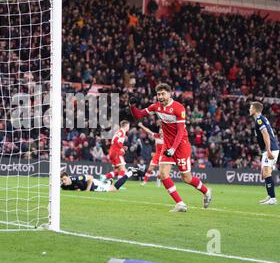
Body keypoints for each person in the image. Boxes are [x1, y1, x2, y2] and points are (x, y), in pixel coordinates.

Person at [129, 83, 212, 212]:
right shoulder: (156, 107)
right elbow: (139, 115)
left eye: (163, 94)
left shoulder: (178, 108)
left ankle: (206, 192)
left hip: (181, 145)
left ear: (169, 94)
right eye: (158, 94)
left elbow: (180, 132)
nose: (160, 96)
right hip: (167, 145)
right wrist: (132, 106)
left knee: (187, 178)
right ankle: (180, 204)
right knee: (163, 174)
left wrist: (173, 148)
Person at [249, 102, 280, 205]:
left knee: (266, 173)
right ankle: (270, 196)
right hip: (269, 149)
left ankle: (273, 198)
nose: (249, 109)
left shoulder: (259, 119)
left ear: (255, 110)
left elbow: (266, 135)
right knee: (264, 174)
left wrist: (268, 150)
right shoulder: (261, 118)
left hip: (270, 149)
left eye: (251, 108)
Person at [60, 167, 141, 192]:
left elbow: (90, 177)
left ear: (68, 176)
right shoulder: (64, 186)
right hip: (91, 187)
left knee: (114, 189)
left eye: (64, 179)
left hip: (94, 185)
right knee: (108, 185)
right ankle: (109, 181)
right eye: (62, 180)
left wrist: (87, 191)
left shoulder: (76, 178)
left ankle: (130, 172)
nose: (64, 182)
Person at [138, 122, 163, 187]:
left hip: (163, 156)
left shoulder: (167, 138)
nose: (160, 132)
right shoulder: (156, 135)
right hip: (157, 155)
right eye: (160, 130)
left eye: (162, 131)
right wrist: (141, 126)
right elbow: (148, 131)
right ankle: (144, 181)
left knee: (161, 172)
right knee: (150, 169)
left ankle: (158, 180)